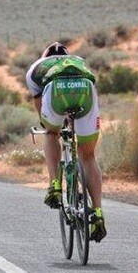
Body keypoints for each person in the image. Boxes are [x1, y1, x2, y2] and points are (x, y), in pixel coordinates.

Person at [26, 42, 107, 242]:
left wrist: (50, 126)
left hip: (55, 90)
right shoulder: (79, 62)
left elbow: (40, 106)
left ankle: (54, 184)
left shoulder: (35, 69)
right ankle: (97, 213)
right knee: (88, 156)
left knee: (51, 134)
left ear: (44, 56)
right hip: (85, 89)